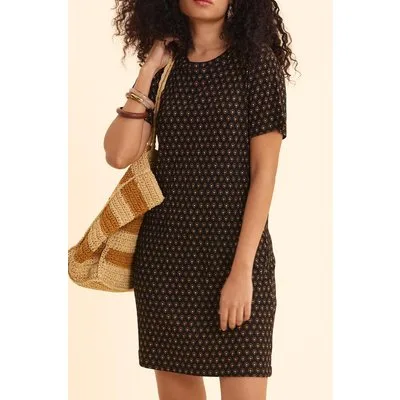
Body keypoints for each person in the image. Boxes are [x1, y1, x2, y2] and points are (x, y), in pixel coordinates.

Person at [104, 0, 297, 399]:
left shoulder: (257, 64)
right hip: (166, 263)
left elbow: (264, 174)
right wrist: (149, 68)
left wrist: (242, 272)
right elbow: (119, 155)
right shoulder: (165, 70)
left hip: (237, 259)